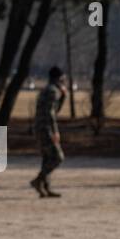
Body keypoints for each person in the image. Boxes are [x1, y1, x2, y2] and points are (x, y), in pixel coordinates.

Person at [32, 66, 67, 197]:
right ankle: (38, 180)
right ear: (59, 78)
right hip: (46, 128)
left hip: (40, 127)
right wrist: (55, 131)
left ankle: (45, 188)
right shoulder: (53, 91)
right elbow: (51, 113)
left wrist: (63, 96)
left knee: (47, 158)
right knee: (58, 157)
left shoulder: (46, 90)